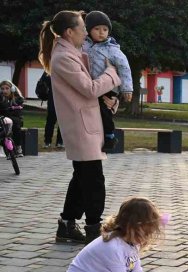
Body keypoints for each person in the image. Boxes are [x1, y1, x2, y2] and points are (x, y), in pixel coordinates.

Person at [39, 10, 121, 244]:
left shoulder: (73, 52)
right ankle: (94, 228)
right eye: (83, 27)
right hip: (81, 127)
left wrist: (110, 99)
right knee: (93, 180)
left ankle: (66, 224)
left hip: (86, 123)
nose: (87, 31)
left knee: (81, 178)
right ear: (69, 32)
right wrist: (112, 73)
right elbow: (90, 88)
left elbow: (91, 90)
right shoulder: (63, 57)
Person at [82, 10, 133, 152]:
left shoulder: (112, 49)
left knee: (105, 111)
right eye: (97, 29)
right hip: (91, 85)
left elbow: (124, 67)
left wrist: (127, 88)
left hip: (108, 87)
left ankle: (110, 136)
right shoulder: (83, 45)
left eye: (105, 29)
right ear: (88, 30)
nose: (101, 33)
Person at [39, 72, 64, 148]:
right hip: (54, 98)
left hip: (62, 98)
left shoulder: (50, 68)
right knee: (51, 121)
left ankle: (59, 142)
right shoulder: (50, 69)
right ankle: (48, 141)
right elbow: (44, 82)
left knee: (62, 122)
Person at [0, 80, 24, 157]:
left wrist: (9, 109)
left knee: (16, 124)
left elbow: (17, 112)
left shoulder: (17, 99)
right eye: (2, 89)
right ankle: (7, 150)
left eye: (7, 88)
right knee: (5, 127)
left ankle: (18, 147)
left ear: (12, 89)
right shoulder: (0, 98)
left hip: (14, 120)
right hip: (2, 119)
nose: (5, 91)